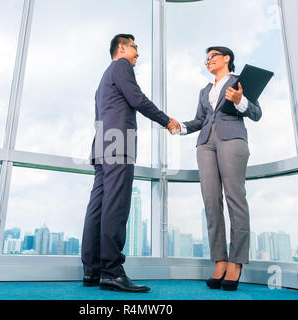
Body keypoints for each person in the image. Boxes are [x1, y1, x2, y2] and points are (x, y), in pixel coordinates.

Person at [81, 34, 180, 293]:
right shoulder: (121, 66)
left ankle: (92, 271)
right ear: (122, 48)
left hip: (102, 143)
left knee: (98, 207)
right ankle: (112, 272)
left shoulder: (104, 78)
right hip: (119, 143)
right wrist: (166, 120)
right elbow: (137, 99)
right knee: (116, 206)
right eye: (135, 47)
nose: (138, 53)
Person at [170, 46, 261, 291]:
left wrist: (240, 100)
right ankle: (219, 260)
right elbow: (200, 120)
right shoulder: (205, 90)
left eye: (212, 56)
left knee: (235, 198)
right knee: (211, 202)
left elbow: (257, 113)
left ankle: (236, 261)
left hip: (232, 139)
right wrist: (181, 127)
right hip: (205, 144)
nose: (207, 61)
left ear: (226, 58)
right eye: (206, 58)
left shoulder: (240, 82)